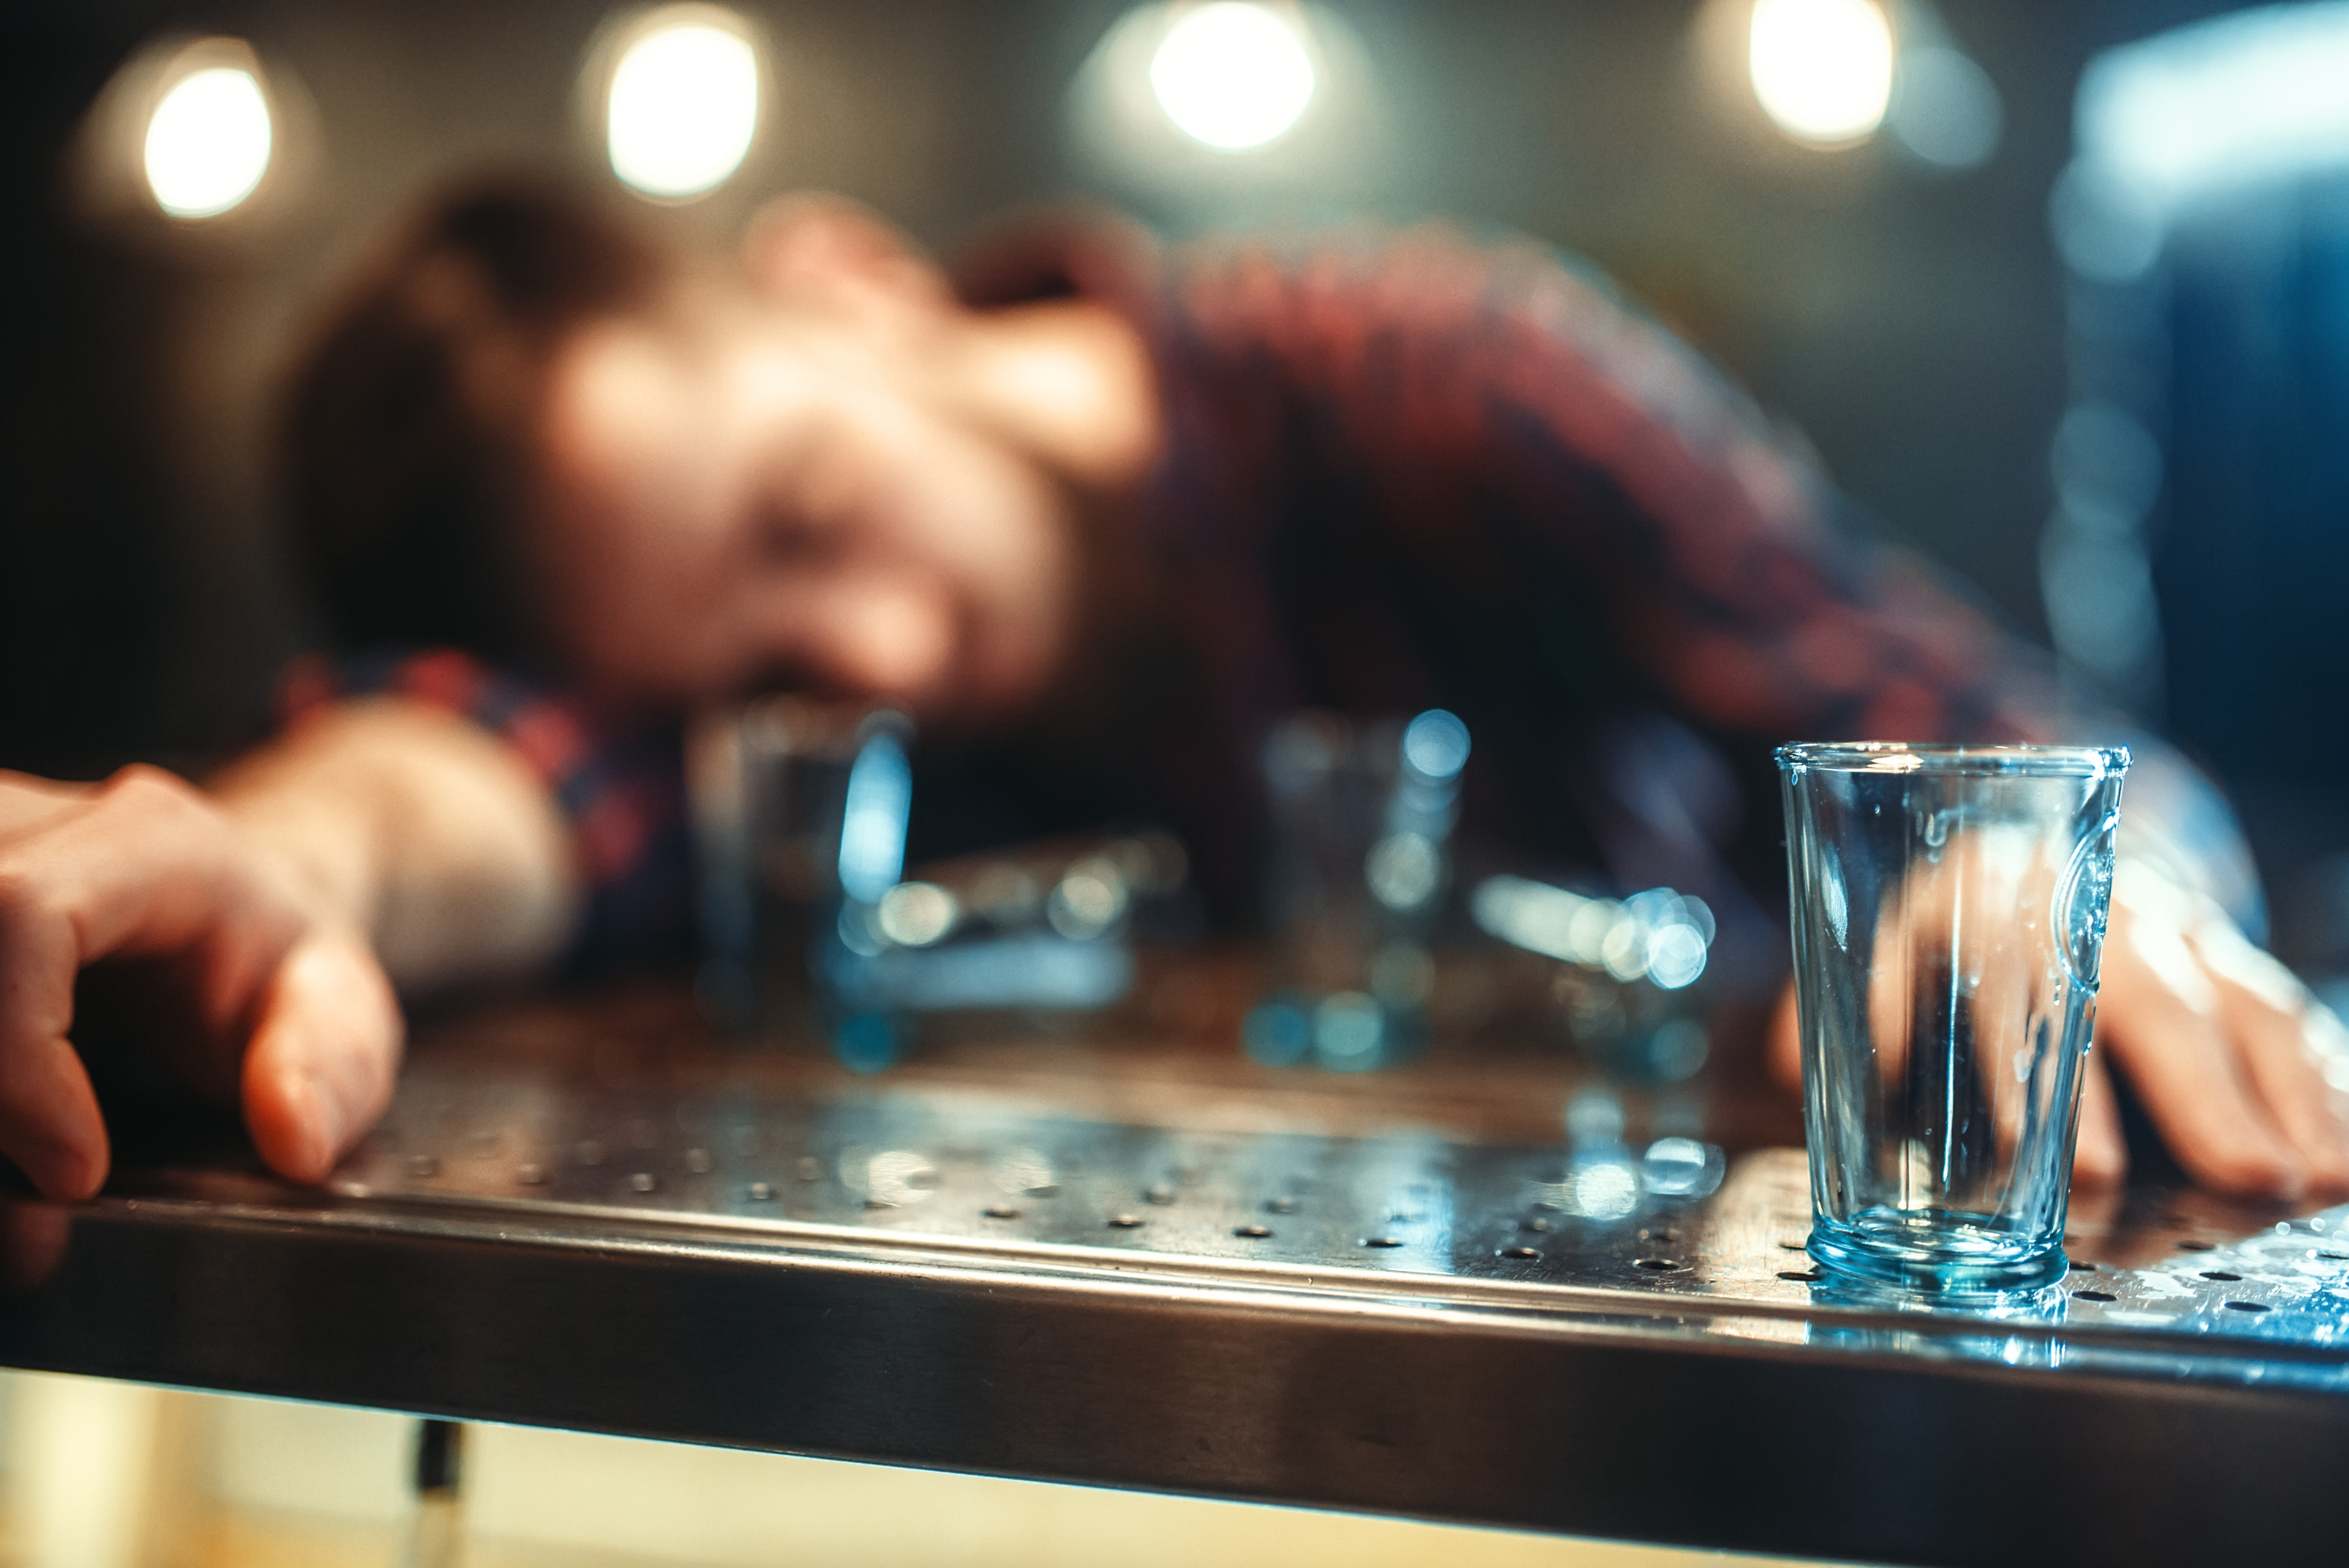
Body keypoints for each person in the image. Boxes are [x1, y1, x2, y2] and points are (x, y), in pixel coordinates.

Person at [2, 179, 2345, 1208]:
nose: (888, 667)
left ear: (851, 288)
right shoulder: (830, 706)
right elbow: (500, 791)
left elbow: (1985, 724)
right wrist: (278, 857)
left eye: (812, 516)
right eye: (773, 680)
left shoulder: (1434, 376)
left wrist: (2045, 872)